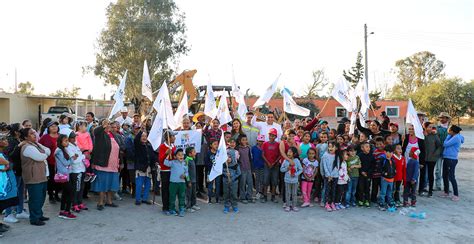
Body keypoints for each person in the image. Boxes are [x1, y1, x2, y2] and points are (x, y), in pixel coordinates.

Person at [20, 128, 51, 226]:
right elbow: (41, 157)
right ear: (26, 137)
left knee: (41, 197)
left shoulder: (36, 144)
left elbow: (48, 151)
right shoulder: (27, 147)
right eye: (31, 133)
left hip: (41, 175)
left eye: (34, 132)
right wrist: (44, 153)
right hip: (33, 177)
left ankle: (39, 214)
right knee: (35, 198)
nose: (34, 134)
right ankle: (34, 218)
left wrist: (44, 152)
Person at [90, 119, 120, 211]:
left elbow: (120, 149)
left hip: (113, 164)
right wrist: (103, 125)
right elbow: (96, 131)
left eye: (109, 125)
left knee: (111, 184)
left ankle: (109, 201)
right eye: (106, 125)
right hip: (103, 164)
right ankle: (100, 202)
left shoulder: (114, 135)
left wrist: (120, 161)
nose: (108, 126)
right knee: (102, 184)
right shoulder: (100, 134)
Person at [3, 123, 29, 224]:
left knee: (20, 191)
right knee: (11, 192)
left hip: (20, 169)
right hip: (13, 169)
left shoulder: (19, 139)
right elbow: (10, 155)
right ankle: (8, 214)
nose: (23, 130)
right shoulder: (10, 140)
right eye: (21, 129)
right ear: (16, 131)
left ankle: (20, 210)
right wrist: (19, 146)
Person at [54, 134, 77, 220]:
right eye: (65, 141)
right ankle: (66, 212)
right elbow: (66, 163)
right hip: (63, 174)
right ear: (60, 142)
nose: (67, 142)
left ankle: (63, 211)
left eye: (67, 140)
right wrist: (73, 158)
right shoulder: (59, 151)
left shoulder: (63, 149)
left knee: (65, 193)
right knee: (69, 192)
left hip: (67, 173)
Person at [0, 135, 19, 233]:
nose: (5, 141)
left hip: (5, 180)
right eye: (2, 139)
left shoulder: (4, 152)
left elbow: (9, 164)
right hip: (1, 182)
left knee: (4, 203)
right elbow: (6, 163)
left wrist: (7, 164)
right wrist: (7, 163)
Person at [440, 125, 464, 201]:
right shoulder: (454, 136)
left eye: (449, 130)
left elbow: (445, 144)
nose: (448, 131)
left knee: (451, 177)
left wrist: (448, 136)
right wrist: (450, 136)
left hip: (451, 159)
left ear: (453, 131)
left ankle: (456, 194)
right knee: (444, 175)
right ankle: (446, 191)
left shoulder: (456, 138)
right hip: (447, 158)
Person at [39, 121, 60, 204]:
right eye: (52, 126)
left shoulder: (61, 136)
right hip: (49, 162)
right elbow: (38, 146)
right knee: (51, 179)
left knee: (59, 179)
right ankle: (51, 195)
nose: (54, 127)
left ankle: (57, 194)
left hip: (60, 162)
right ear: (48, 128)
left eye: (55, 126)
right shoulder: (45, 137)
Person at [66, 132, 88, 213]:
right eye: (72, 137)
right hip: (75, 170)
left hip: (81, 169)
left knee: (81, 188)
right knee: (76, 188)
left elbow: (78, 156)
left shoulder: (75, 145)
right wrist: (83, 156)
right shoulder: (68, 147)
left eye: (75, 137)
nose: (74, 139)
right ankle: (74, 204)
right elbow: (74, 160)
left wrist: (81, 156)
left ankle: (79, 203)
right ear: (68, 138)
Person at [402, 124, 426, 195]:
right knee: (406, 176)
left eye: (412, 129)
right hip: (406, 160)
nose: (411, 130)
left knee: (414, 176)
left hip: (415, 161)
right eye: (409, 129)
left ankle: (413, 191)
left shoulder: (420, 139)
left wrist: (422, 163)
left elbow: (423, 151)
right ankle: (406, 191)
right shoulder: (405, 137)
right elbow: (403, 149)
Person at [133, 130, 155, 205]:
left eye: (145, 136)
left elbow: (153, 156)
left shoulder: (149, 145)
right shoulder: (138, 145)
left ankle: (145, 198)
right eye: (142, 136)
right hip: (140, 168)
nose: (144, 137)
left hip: (148, 168)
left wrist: (155, 162)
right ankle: (138, 199)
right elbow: (136, 139)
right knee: (139, 184)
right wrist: (140, 131)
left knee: (148, 184)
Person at [164, 149, 188, 217]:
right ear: (175, 156)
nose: (181, 156)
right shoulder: (173, 162)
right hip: (173, 183)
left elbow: (187, 172)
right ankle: (172, 209)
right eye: (179, 155)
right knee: (172, 196)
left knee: (182, 196)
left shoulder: (185, 163)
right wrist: (168, 154)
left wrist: (185, 175)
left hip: (182, 183)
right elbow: (165, 162)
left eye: (182, 154)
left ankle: (181, 209)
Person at [158, 130, 177, 213]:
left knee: (172, 190)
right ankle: (165, 207)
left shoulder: (174, 146)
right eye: (173, 136)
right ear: (168, 138)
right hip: (165, 171)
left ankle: (171, 206)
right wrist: (166, 154)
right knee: (165, 189)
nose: (175, 138)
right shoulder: (162, 146)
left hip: (173, 171)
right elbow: (160, 160)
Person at [280, 147, 302, 212]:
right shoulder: (285, 161)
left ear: (294, 154)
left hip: (295, 181)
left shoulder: (297, 161)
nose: (288, 153)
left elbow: (301, 169)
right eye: (288, 152)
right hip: (287, 180)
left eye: (290, 152)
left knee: (294, 193)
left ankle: (294, 205)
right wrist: (287, 168)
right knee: (288, 193)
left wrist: (295, 174)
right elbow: (281, 169)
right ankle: (287, 205)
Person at [261, 128, 280, 203]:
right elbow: (262, 154)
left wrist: (275, 162)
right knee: (265, 180)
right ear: (268, 136)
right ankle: (265, 196)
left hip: (275, 166)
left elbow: (279, 155)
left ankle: (273, 196)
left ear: (275, 137)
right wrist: (268, 163)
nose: (272, 137)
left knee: (274, 181)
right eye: (270, 135)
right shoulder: (265, 144)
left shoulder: (278, 144)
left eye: (273, 136)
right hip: (267, 165)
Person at [424, 122, 442, 197]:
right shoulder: (422, 135)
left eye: (431, 127)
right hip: (423, 158)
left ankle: (430, 190)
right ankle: (422, 188)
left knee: (430, 174)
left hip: (432, 158)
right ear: (425, 127)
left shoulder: (435, 136)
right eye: (429, 127)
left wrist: (435, 155)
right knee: (423, 174)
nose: (430, 128)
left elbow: (439, 146)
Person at [321, 142, 339, 212]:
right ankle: (327, 203)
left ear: (336, 148)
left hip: (335, 176)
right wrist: (328, 175)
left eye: (332, 147)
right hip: (327, 176)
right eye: (329, 146)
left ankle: (332, 203)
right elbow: (324, 166)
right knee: (327, 190)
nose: (330, 148)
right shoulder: (325, 155)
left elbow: (337, 166)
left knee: (333, 190)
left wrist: (332, 175)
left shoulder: (337, 156)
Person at [222, 150, 241, 214]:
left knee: (234, 194)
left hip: (234, 182)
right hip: (225, 181)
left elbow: (238, 173)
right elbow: (221, 171)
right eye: (226, 157)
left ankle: (234, 206)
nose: (228, 158)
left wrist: (232, 177)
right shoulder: (224, 165)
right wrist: (225, 174)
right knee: (226, 194)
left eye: (229, 157)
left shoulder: (236, 165)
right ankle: (226, 206)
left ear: (232, 157)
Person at [435, 112, 450, 191]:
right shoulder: (437, 128)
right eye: (440, 118)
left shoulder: (451, 128)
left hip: (448, 152)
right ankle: (438, 185)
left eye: (443, 117)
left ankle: (447, 186)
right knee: (438, 170)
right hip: (439, 151)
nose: (441, 119)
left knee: (447, 170)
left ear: (447, 119)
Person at [378, 145, 396, 211]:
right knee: (383, 192)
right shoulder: (383, 159)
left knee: (390, 192)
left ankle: (389, 203)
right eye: (389, 152)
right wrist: (383, 173)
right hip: (384, 179)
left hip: (391, 179)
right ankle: (381, 204)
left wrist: (394, 173)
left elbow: (394, 168)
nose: (391, 154)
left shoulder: (393, 160)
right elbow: (379, 168)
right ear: (385, 152)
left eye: (392, 152)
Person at [357, 142, 375, 208]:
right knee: (360, 188)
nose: (368, 148)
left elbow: (373, 166)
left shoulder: (372, 156)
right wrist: (361, 171)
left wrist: (368, 172)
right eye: (366, 147)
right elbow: (358, 164)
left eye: (369, 147)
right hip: (361, 175)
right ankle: (360, 200)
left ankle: (367, 200)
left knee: (367, 188)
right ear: (362, 148)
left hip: (368, 175)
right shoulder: (359, 155)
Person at [237, 135, 254, 203]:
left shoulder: (248, 148)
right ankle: (242, 197)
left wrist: (252, 168)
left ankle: (249, 196)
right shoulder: (238, 148)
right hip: (242, 169)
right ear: (239, 141)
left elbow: (250, 158)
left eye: (245, 140)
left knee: (250, 183)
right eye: (243, 140)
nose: (244, 141)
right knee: (242, 183)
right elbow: (237, 159)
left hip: (248, 168)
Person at [205, 139, 220, 204]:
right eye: (215, 144)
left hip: (217, 171)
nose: (216, 145)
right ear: (211, 145)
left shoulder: (219, 152)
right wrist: (212, 166)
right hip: (210, 171)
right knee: (210, 186)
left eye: (217, 144)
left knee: (217, 185)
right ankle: (210, 199)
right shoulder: (208, 153)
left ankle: (217, 199)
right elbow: (206, 162)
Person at [185, 147, 200, 212]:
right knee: (189, 194)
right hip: (189, 181)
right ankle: (187, 207)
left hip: (194, 180)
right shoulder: (187, 160)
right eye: (194, 152)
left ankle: (193, 204)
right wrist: (188, 181)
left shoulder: (192, 159)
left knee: (193, 193)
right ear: (190, 154)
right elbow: (186, 171)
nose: (195, 153)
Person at [371, 137, 385, 203]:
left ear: (384, 144)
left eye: (380, 144)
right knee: (374, 187)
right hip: (375, 174)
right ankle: (373, 199)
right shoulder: (374, 153)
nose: (379, 145)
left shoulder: (386, 153)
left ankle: (382, 199)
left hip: (383, 174)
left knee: (382, 187)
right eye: (377, 144)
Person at [252, 135, 265, 200]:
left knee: (262, 180)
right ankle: (257, 192)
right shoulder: (253, 148)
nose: (261, 142)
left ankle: (261, 192)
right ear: (257, 141)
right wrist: (252, 167)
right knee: (257, 180)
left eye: (262, 141)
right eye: (259, 141)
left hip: (263, 166)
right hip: (256, 166)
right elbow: (252, 157)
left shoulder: (264, 147)